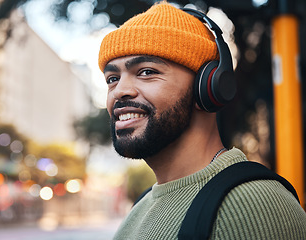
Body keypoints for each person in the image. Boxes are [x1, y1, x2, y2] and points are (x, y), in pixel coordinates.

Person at [98, 1, 306, 239]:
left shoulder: (253, 204)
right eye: (112, 78)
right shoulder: (142, 205)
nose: (120, 91)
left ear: (207, 87)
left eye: (147, 72)